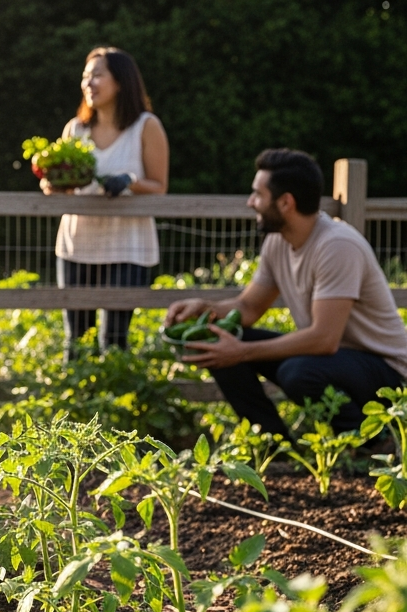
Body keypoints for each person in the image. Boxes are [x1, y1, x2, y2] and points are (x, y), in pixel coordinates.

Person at [168, 149, 407, 436]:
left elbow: (324, 339)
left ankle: (371, 443)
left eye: (257, 194)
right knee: (220, 340)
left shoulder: (337, 246)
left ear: (285, 202)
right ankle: (273, 444)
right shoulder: (277, 242)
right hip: (334, 362)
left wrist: (242, 353)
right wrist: (205, 309)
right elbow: (249, 307)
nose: (250, 202)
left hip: (387, 375)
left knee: (297, 372)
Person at [47, 47, 169, 359]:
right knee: (77, 339)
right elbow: (64, 190)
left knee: (113, 339)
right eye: (85, 76)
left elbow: (159, 187)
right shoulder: (76, 129)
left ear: (122, 81)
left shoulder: (146, 126)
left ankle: (115, 404)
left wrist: (129, 181)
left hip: (127, 245)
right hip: (78, 244)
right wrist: (53, 184)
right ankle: (74, 404)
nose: (89, 82)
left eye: (98, 74)